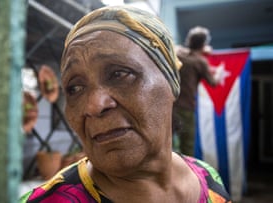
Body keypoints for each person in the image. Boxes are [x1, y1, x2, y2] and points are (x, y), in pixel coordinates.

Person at [20, 6, 231, 203]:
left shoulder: (208, 178)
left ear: (171, 81)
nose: (93, 105)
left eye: (119, 74)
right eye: (74, 88)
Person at [173, 26, 220, 156]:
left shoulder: (177, 53)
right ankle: (187, 173)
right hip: (186, 107)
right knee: (187, 145)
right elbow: (213, 83)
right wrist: (218, 73)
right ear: (204, 43)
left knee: (169, 143)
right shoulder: (200, 61)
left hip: (169, 105)